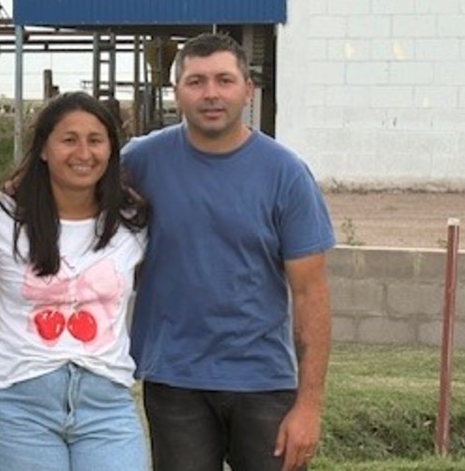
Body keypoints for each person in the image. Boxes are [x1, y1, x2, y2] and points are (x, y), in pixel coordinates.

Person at [122, 32, 334, 471]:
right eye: (196, 81)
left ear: (247, 90)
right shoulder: (140, 162)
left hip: (263, 381)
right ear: (177, 91)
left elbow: (310, 293)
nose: (211, 94)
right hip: (174, 380)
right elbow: (70, 179)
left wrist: (309, 406)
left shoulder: (286, 174)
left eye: (224, 80)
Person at [0, 91, 149, 471]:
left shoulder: (132, 223)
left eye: (95, 140)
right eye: (69, 139)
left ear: (111, 150)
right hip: (19, 403)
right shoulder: (2, 216)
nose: (83, 153)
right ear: (43, 149)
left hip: (106, 405)